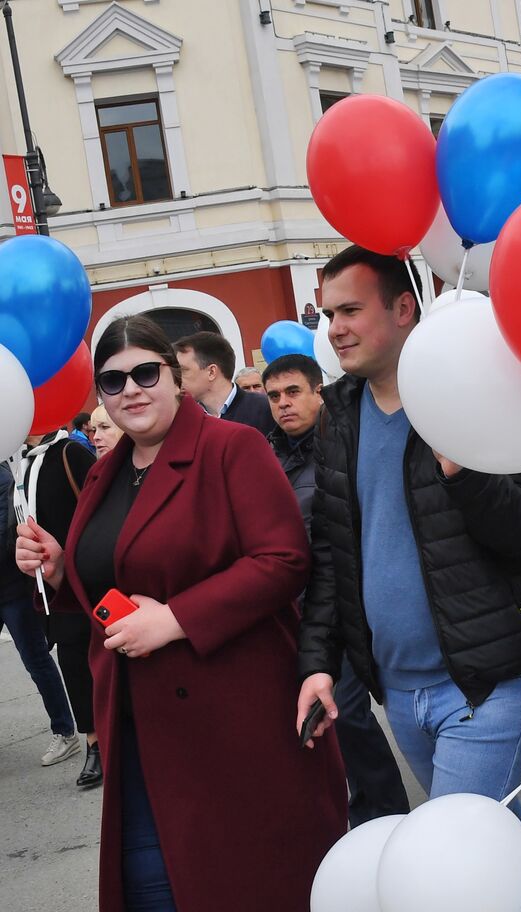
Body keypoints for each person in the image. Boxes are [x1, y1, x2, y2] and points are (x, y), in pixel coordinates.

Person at [15, 315, 346, 910]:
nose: (131, 390)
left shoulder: (232, 447)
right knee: (155, 890)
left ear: (176, 378)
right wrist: (64, 566)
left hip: (232, 722)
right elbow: (112, 576)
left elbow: (284, 558)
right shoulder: (103, 472)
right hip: (137, 727)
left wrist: (176, 619)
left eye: (146, 372)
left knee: (244, 886)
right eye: (113, 382)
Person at [296, 246, 521, 819]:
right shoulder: (339, 414)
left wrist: (464, 475)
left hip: (483, 682)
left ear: (403, 308)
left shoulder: (477, 392)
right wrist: (318, 663)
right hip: (397, 690)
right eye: (328, 316)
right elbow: (332, 555)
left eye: (349, 311)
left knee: (458, 851)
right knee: (492, 852)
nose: (336, 330)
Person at [264, 352, 409, 827]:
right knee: (315, 723)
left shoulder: (341, 444)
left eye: (293, 393)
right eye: (273, 397)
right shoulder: (266, 458)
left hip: (342, 607)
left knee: (345, 714)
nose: (284, 405)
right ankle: (351, 813)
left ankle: (387, 813)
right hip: (293, 613)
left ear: (316, 393)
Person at [14, 427, 102, 789]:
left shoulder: (69, 453)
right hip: (48, 585)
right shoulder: (20, 463)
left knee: (98, 656)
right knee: (72, 663)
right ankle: (93, 744)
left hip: (86, 576)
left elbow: (97, 510)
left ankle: (114, 740)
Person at [2, 461, 82, 775]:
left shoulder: (3, 476)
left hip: (12, 591)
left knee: (36, 661)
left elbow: (4, 533)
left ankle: (64, 731)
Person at [174, 331, 276, 437]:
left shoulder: (266, 408)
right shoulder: (186, 418)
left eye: (183, 370)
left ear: (211, 372)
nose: (177, 378)